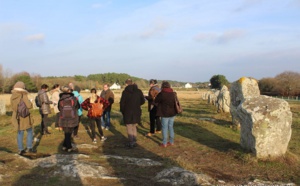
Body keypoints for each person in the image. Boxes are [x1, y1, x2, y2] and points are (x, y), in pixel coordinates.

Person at [10, 81, 35, 154]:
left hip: (16, 116)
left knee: (20, 132)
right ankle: (29, 148)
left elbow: (13, 107)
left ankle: (20, 149)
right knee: (30, 131)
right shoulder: (23, 95)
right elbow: (29, 106)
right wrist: (30, 101)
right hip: (25, 117)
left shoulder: (12, 96)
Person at [120, 79, 145, 148]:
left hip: (127, 111)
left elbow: (122, 103)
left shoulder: (125, 92)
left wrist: (123, 111)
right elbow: (143, 101)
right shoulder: (138, 91)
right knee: (134, 126)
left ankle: (131, 142)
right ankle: (134, 140)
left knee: (129, 126)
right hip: (137, 111)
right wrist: (137, 104)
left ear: (126, 84)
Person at [154, 81, 177, 148]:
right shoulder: (173, 94)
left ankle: (164, 143)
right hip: (173, 113)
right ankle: (171, 142)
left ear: (162, 86)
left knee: (164, 128)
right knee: (171, 127)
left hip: (164, 113)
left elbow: (156, 101)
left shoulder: (161, 94)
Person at [58, 86, 80, 152]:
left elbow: (59, 108)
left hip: (63, 117)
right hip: (72, 117)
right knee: (69, 132)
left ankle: (64, 146)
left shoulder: (61, 99)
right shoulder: (74, 98)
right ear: (69, 91)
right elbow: (78, 106)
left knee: (66, 132)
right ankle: (69, 147)